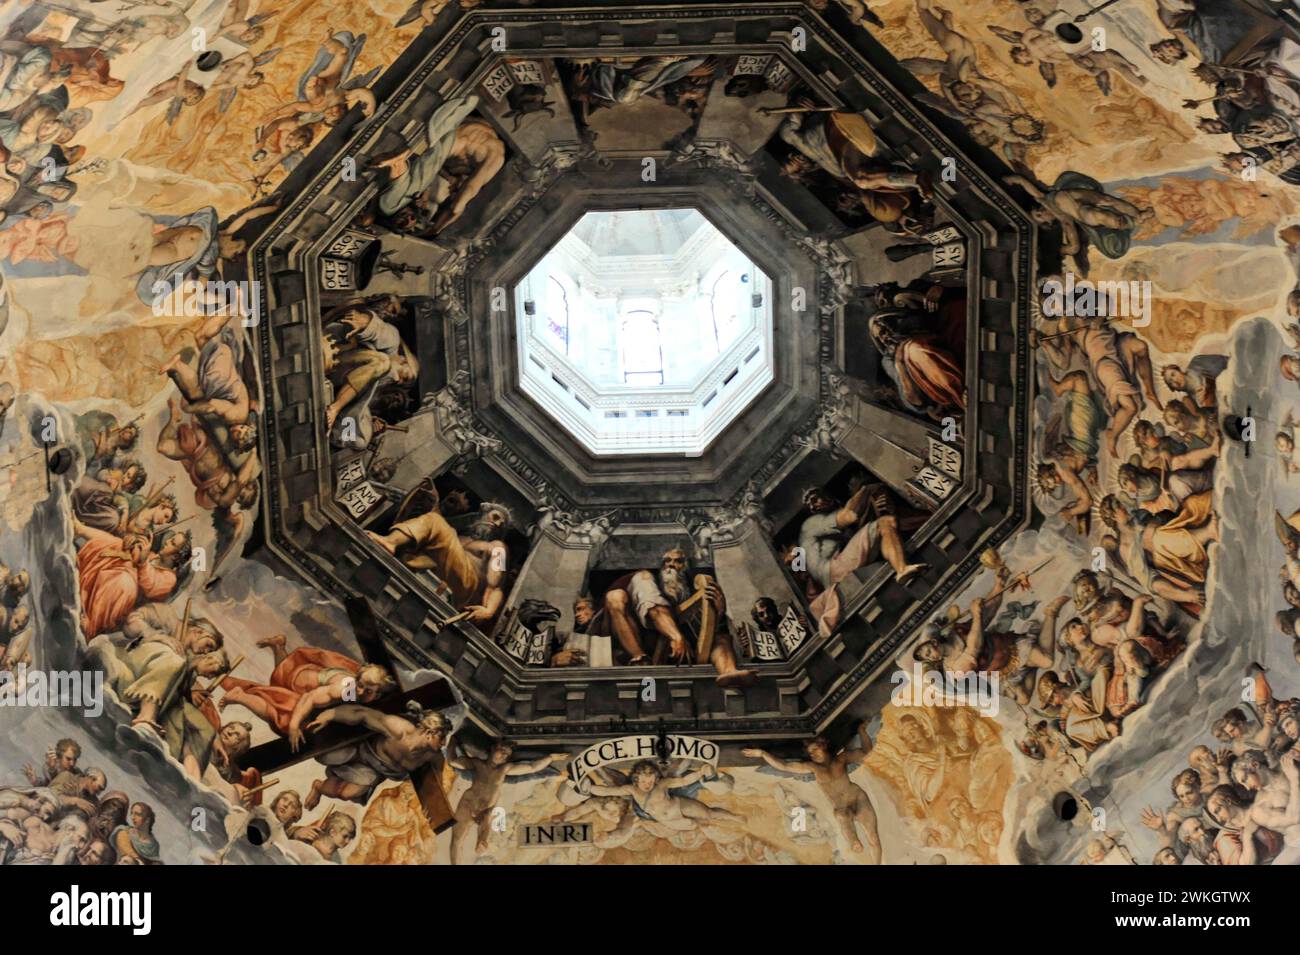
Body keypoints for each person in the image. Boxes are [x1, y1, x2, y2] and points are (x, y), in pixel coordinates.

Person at [598, 547, 756, 686]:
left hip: (686, 653)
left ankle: (729, 672)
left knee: (721, 639)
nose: (671, 565)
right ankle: (639, 659)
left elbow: (710, 628)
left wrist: (719, 611)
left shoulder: (689, 590)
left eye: (678, 561)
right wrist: (676, 637)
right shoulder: (645, 578)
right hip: (645, 646)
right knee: (615, 596)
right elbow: (653, 608)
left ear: (685, 567)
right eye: (667, 561)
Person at [218, 634, 396, 750]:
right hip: (300, 682)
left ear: (378, 694)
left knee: (281, 677)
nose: (360, 690)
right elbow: (308, 698)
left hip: (310, 678)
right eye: (360, 684)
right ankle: (240, 696)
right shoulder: (344, 689)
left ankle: (278, 646)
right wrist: (294, 727)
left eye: (368, 690)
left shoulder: (365, 693)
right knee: (284, 719)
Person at [797, 484, 926, 636]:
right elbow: (850, 515)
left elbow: (859, 531)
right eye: (811, 503)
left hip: (836, 570)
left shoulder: (830, 527)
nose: (815, 504)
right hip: (835, 569)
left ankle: (902, 566)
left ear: (826, 494)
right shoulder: (812, 523)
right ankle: (902, 569)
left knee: (887, 523)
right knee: (885, 523)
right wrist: (866, 490)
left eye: (816, 498)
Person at [743, 724, 881, 861]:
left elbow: (866, 750)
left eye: (815, 749)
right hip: (842, 807)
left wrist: (861, 730)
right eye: (810, 753)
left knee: (873, 838)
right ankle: (853, 841)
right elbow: (784, 766)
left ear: (824, 746)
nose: (813, 754)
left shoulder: (841, 759)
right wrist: (762, 753)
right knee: (841, 815)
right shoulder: (812, 768)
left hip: (858, 798)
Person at [367, 503, 512, 629]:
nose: (498, 524)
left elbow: (496, 586)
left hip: (465, 584)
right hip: (438, 574)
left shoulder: (497, 547)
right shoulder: (457, 539)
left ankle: (390, 542)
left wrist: (488, 610)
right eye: (496, 517)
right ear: (484, 515)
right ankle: (394, 546)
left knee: (436, 520)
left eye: (502, 525)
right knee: (426, 539)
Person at [304, 702, 452, 809]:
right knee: (325, 756)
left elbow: (437, 781)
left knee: (346, 793)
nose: (444, 742)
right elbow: (362, 713)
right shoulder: (400, 729)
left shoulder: (433, 756)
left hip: (374, 773)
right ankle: (342, 762)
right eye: (442, 736)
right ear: (429, 733)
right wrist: (330, 714)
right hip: (362, 753)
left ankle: (318, 787)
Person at [446, 738, 566, 863]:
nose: (503, 755)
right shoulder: (477, 764)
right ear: (493, 748)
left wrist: (550, 758)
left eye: (507, 754)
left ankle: (481, 843)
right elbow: (453, 761)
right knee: (457, 840)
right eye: (502, 750)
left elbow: (532, 767)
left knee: (484, 832)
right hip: (468, 804)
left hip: (486, 809)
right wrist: (452, 742)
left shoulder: (504, 769)